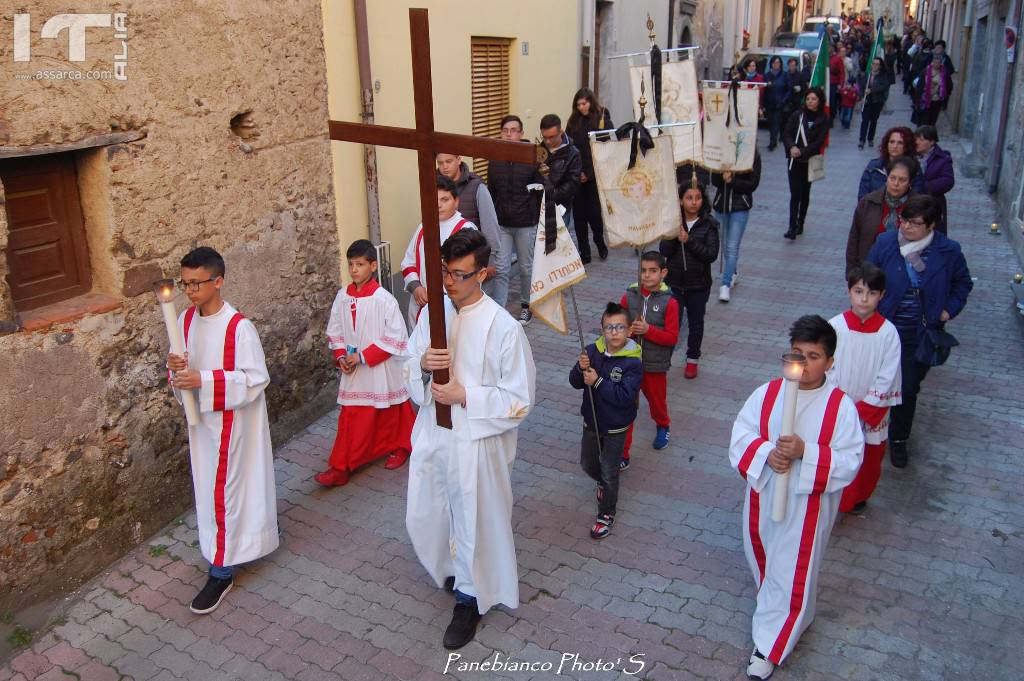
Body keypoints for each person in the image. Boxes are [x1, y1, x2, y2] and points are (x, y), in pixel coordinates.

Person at [404, 229, 536, 649]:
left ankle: (470, 598)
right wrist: (423, 365)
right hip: (433, 431)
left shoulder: (504, 328)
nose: (449, 282)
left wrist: (467, 396)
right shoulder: (432, 314)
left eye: (460, 274)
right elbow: (409, 361)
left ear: (483, 273)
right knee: (426, 511)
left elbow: (519, 400)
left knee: (474, 519)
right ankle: (450, 568)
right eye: (445, 272)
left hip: (477, 442)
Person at [730, 315, 864, 680]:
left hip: (807, 506)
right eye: (797, 354)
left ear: (830, 362)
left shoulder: (840, 408)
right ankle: (792, 611)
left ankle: (769, 646)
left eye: (814, 356)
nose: (803, 365)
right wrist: (764, 454)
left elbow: (851, 459)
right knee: (768, 563)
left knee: (792, 571)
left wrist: (807, 451)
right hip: (765, 494)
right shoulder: (767, 393)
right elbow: (741, 433)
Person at [166, 247, 278, 614]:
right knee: (211, 492)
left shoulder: (239, 328)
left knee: (227, 494)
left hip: (235, 427)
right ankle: (221, 553)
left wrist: (203, 378)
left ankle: (222, 570)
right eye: (185, 283)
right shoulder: (184, 321)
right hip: (203, 426)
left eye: (196, 283)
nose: (190, 291)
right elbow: (180, 375)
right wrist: (177, 370)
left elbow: (255, 379)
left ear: (218, 281)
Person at [867, 195, 972, 468]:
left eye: (915, 223)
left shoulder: (948, 251)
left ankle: (899, 438)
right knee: (875, 381)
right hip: (884, 329)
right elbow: (867, 275)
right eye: (904, 220)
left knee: (908, 387)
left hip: (919, 332)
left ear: (931, 225)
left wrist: (948, 310)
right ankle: (867, 431)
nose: (906, 227)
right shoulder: (886, 242)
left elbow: (962, 283)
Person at [316, 239, 415, 487]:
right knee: (351, 416)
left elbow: (396, 338)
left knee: (393, 409)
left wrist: (362, 357)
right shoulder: (342, 296)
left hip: (380, 368)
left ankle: (401, 447)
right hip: (353, 370)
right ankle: (340, 466)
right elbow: (335, 330)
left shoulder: (384, 299)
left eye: (360, 264)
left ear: (373, 266)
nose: (354, 270)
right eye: (351, 265)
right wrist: (341, 356)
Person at [828, 263, 902, 514]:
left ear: (881, 295)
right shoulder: (834, 328)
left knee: (869, 456)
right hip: (840, 404)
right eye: (859, 291)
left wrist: (864, 409)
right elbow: (827, 367)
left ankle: (859, 497)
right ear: (848, 291)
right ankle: (834, 496)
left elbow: (888, 375)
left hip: (870, 409)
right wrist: (840, 404)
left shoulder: (888, 333)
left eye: (871, 293)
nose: (864, 299)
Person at [569, 302, 642, 540]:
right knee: (587, 463)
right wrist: (580, 370)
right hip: (592, 421)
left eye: (620, 327)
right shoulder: (591, 351)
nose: (614, 332)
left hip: (616, 426)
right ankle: (602, 483)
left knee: (610, 472)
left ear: (629, 331)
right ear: (602, 329)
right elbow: (575, 381)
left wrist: (598, 382)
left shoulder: (633, 362)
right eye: (609, 327)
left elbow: (624, 397)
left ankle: (606, 514)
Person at [619, 252, 680, 468]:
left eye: (652, 271)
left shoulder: (670, 302)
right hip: (629, 364)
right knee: (626, 408)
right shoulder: (630, 296)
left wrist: (648, 330)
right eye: (643, 270)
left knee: (656, 401)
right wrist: (625, 331)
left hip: (655, 366)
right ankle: (623, 454)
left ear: (663, 273)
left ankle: (663, 425)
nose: (647, 275)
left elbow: (672, 337)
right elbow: (618, 323)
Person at [660, 174, 720, 379]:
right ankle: (664, 357)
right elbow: (664, 250)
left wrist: (689, 241)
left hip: (698, 284)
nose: (694, 202)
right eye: (689, 198)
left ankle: (692, 358)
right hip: (675, 283)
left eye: (697, 198)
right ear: (680, 200)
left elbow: (711, 254)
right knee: (671, 323)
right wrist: (673, 237)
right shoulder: (674, 222)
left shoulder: (709, 224)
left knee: (696, 323)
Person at [401, 175, 478, 329]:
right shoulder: (424, 226)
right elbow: (408, 262)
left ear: (456, 201)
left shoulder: (466, 229)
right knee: (420, 351)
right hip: (421, 306)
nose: (438, 205)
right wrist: (416, 287)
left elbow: (470, 273)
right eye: (434, 199)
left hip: (453, 307)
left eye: (445, 200)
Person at [488, 114, 544, 325]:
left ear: (521, 134)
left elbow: (541, 189)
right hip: (502, 223)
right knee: (501, 268)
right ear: (501, 133)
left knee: (525, 267)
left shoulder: (532, 156)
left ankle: (526, 305)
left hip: (526, 223)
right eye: (505, 130)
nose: (509, 134)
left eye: (514, 130)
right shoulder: (495, 158)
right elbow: (492, 192)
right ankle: (500, 311)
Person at [435, 153, 505, 303]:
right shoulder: (433, 185)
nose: (444, 167)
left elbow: (490, 225)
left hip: (472, 261)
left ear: (459, 160)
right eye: (440, 163)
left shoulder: (476, 187)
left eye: (449, 161)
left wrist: (490, 260)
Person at [566, 88, 614, 264]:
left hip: (594, 176)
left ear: (590, 102)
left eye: (584, 103)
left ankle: (599, 243)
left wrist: (590, 173)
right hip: (577, 176)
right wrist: (577, 173)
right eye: (578, 104)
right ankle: (584, 250)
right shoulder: (573, 122)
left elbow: (605, 149)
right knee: (579, 217)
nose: (581, 107)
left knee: (594, 214)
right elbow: (569, 149)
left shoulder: (602, 119)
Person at [846, 155, 919, 270]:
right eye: (892, 178)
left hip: (904, 270)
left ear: (910, 182)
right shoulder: (868, 202)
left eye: (902, 180)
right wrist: (852, 272)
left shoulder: (918, 206)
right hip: (869, 269)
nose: (896, 183)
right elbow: (854, 239)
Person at [711, 149, 761, 302]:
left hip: (740, 207)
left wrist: (731, 181)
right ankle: (732, 272)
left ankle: (725, 285)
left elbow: (752, 184)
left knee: (732, 246)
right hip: (721, 206)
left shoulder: (753, 154)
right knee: (725, 245)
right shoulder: (722, 150)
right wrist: (722, 174)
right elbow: (714, 181)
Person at [781, 87, 828, 239]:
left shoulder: (824, 119)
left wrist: (803, 151)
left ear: (819, 101)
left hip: (811, 160)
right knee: (795, 193)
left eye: (814, 99)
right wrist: (791, 147)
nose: (810, 102)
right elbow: (786, 133)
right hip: (795, 161)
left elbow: (819, 142)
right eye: (808, 99)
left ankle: (801, 221)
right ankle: (791, 226)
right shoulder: (797, 115)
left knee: (805, 193)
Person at [538, 113, 582, 222]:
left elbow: (573, 183)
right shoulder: (539, 150)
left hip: (560, 207)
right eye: (544, 137)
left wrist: (552, 194)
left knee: (559, 239)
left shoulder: (573, 153)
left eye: (551, 137)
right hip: (539, 207)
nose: (547, 141)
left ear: (561, 132)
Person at [858, 126, 921, 199]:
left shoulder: (914, 169)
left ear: (907, 146)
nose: (895, 146)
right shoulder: (874, 166)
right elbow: (862, 197)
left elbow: (916, 198)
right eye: (892, 142)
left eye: (900, 143)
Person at [914, 125, 955, 234]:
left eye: (921, 139)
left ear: (932, 142)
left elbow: (948, 181)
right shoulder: (911, 156)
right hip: (913, 202)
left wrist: (924, 187)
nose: (917, 142)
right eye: (916, 139)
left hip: (933, 203)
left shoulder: (943, 159)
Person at [916, 41, 954, 126]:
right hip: (925, 98)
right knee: (924, 120)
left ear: (941, 63)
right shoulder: (926, 71)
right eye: (934, 62)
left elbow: (949, 86)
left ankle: (929, 136)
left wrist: (943, 93)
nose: (936, 64)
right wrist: (917, 100)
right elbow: (919, 86)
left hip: (937, 100)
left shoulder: (944, 73)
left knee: (932, 120)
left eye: (938, 62)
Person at [858, 57, 891, 149]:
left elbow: (883, 87)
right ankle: (862, 139)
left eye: (877, 64)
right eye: (873, 64)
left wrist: (872, 90)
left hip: (877, 101)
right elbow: (861, 87)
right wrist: (861, 97)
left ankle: (870, 138)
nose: (875, 66)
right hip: (867, 101)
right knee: (864, 120)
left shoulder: (883, 76)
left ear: (880, 66)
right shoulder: (866, 75)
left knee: (873, 121)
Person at [764, 56, 788, 151]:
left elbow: (788, 89)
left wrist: (783, 100)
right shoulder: (767, 75)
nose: (776, 64)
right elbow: (764, 90)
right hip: (769, 103)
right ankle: (773, 139)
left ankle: (773, 142)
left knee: (776, 123)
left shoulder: (784, 75)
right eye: (774, 63)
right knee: (770, 123)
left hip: (779, 103)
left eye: (778, 63)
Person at [782, 57, 807, 124]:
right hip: (787, 102)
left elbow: (804, 89)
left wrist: (800, 89)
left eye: (793, 65)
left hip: (796, 103)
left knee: (796, 122)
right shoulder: (785, 75)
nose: (791, 67)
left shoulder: (800, 76)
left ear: (796, 66)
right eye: (790, 66)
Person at [829, 44, 848, 126]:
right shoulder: (823, 57)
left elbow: (842, 73)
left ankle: (831, 118)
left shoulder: (837, 59)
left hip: (833, 83)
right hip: (825, 83)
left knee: (832, 102)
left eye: (829, 47)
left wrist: (840, 84)